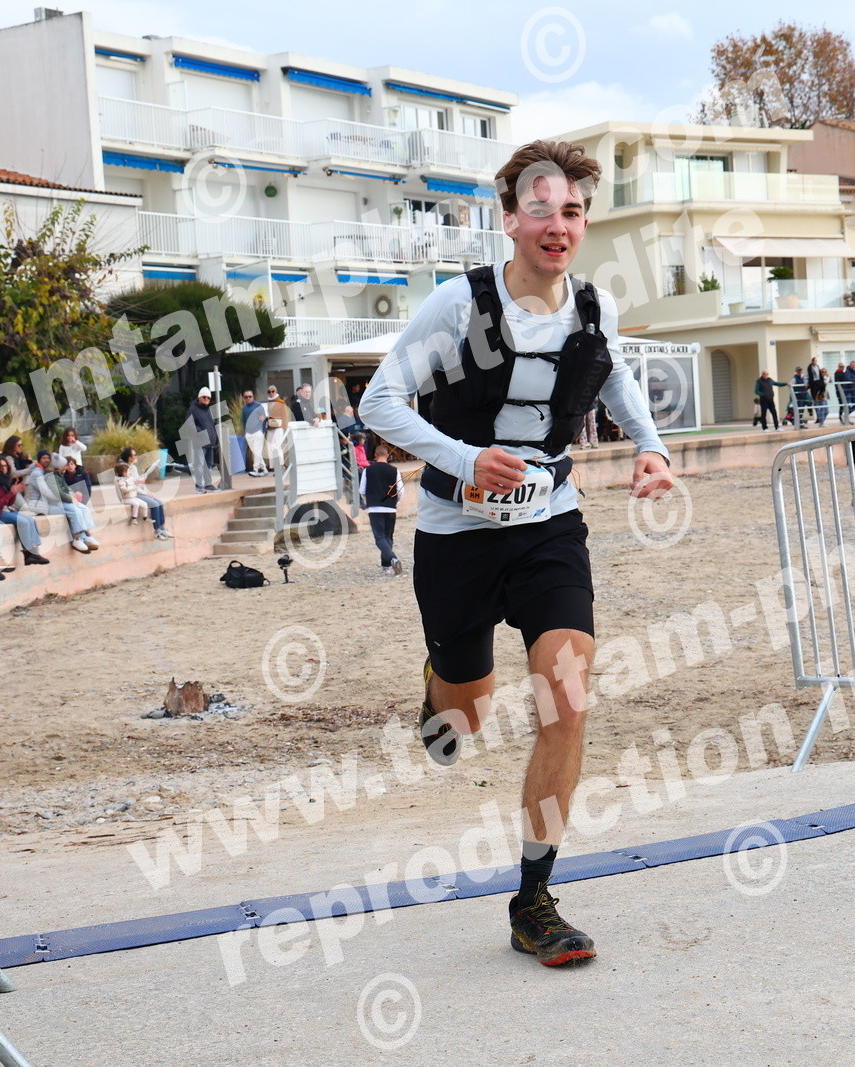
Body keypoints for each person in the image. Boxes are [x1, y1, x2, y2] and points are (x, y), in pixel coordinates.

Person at [360, 139, 676, 968]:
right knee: (464, 714)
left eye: (572, 211)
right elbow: (379, 402)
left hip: (549, 527)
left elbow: (615, 379)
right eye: (541, 210)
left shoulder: (594, 309)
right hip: (456, 536)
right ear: (509, 220)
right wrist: (465, 460)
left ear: (583, 223)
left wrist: (651, 447)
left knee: (566, 697)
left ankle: (534, 898)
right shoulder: (456, 306)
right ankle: (441, 688)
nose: (557, 224)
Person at [23, 450, 99, 554]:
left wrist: (73, 495)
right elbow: (51, 492)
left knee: (83, 508)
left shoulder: (56, 474)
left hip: (52, 502)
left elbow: (64, 488)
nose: (66, 467)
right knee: (73, 510)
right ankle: (77, 538)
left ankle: (86, 536)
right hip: (41, 505)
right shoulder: (43, 474)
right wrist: (70, 498)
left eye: (48, 458)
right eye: (44, 458)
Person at [0, 455, 49, 566]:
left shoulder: (3, 481)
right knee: (23, 522)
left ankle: (34, 551)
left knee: (31, 520)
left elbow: (9, 503)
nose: (4, 469)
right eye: (1, 467)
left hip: (5, 509)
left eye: (5, 466)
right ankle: (28, 552)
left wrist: (14, 492)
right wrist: (12, 492)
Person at [359, 444, 404, 574]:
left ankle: (392, 559)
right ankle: (386, 565)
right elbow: (401, 490)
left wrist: (370, 497)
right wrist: (396, 501)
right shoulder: (394, 470)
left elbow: (362, 490)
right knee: (388, 536)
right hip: (390, 508)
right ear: (388, 456)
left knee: (379, 537)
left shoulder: (368, 470)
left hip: (375, 508)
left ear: (375, 455)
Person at [116, 447, 172, 540]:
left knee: (159, 502)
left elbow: (139, 483)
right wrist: (145, 493)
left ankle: (162, 528)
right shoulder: (125, 469)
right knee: (154, 504)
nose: (137, 456)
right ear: (129, 458)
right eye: (135, 455)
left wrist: (147, 491)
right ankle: (157, 531)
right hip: (131, 494)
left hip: (137, 492)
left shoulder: (133, 467)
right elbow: (134, 486)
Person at [188, 388, 219, 492]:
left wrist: (214, 437)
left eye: (208, 398)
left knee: (208, 465)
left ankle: (208, 484)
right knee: (199, 464)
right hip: (200, 442)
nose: (206, 399)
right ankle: (198, 485)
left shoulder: (208, 410)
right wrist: (201, 434)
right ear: (199, 398)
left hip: (210, 442)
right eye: (204, 397)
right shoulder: (193, 409)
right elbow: (190, 425)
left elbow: (211, 425)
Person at [263, 384, 291, 472]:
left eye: (273, 391)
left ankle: (281, 465)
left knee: (277, 446)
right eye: (269, 392)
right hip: (270, 427)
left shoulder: (281, 402)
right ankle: (275, 467)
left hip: (279, 427)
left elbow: (285, 415)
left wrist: (284, 427)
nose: (271, 393)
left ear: (276, 392)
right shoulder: (268, 403)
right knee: (271, 447)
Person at [240, 389, 268, 476]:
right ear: (244, 398)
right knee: (256, 452)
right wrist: (245, 432)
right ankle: (264, 468)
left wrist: (262, 431)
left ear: (253, 397)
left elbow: (263, 419)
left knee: (257, 451)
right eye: (246, 397)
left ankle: (255, 469)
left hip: (257, 432)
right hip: (249, 433)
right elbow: (243, 421)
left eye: (250, 396)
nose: (248, 398)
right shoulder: (244, 408)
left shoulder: (258, 406)